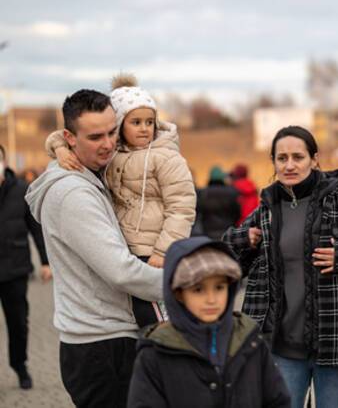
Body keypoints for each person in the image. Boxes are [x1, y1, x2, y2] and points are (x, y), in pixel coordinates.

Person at [224, 126, 338, 408]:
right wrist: (244, 239)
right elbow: (227, 264)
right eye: (281, 158)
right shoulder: (266, 208)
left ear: (314, 159)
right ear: (273, 162)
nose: (289, 165)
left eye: (297, 157)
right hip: (280, 345)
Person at [25, 89, 164, 407]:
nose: (108, 144)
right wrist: (180, 285)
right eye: (95, 136)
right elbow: (120, 271)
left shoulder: (90, 173)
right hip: (101, 346)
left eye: (112, 131)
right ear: (69, 138)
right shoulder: (74, 194)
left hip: (106, 337)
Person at [44, 73, 196, 327]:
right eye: (136, 122)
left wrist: (164, 249)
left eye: (150, 121)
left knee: (161, 327)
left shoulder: (166, 157)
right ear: (120, 124)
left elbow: (182, 207)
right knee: (142, 323)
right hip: (127, 250)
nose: (145, 128)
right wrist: (60, 149)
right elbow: (64, 135)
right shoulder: (113, 151)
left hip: (154, 251)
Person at [128, 237, 291, 407]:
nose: (211, 299)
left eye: (219, 287)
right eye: (198, 289)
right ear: (178, 293)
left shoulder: (250, 340)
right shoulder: (155, 352)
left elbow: (277, 400)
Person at [0, 145, 50, 389]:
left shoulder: (21, 190)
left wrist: (45, 261)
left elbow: (36, 228)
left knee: (18, 323)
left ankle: (20, 366)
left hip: (15, 269)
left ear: (4, 161)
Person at [196, 166, 241, 240]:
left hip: (207, 232)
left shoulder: (203, 192)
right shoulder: (232, 192)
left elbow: (199, 211)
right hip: (227, 231)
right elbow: (237, 212)